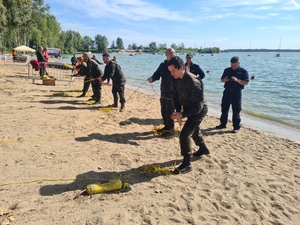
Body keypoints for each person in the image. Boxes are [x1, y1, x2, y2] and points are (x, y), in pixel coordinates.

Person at [168, 56, 210, 174]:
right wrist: (178, 113)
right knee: (194, 130)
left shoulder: (193, 81)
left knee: (185, 134)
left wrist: (182, 114)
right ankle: (203, 148)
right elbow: (175, 97)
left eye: (173, 71)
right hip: (187, 108)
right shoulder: (175, 79)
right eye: (170, 71)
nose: (172, 74)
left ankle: (187, 163)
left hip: (199, 110)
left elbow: (198, 106)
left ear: (182, 68)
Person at [215, 56, 249, 133]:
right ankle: (223, 124)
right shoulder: (227, 70)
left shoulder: (243, 71)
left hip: (236, 93)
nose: (233, 66)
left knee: (236, 110)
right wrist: (224, 80)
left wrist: (238, 80)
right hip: (227, 92)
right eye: (232, 65)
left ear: (238, 63)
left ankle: (236, 127)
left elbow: (246, 82)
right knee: (224, 109)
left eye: (235, 65)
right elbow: (221, 80)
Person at [147, 48, 176, 137]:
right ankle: (166, 127)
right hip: (163, 91)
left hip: (173, 93)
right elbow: (157, 74)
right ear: (166, 54)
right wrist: (152, 79)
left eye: (173, 53)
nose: (172, 54)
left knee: (170, 112)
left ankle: (170, 130)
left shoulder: (177, 64)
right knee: (163, 111)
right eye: (170, 53)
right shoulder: (163, 65)